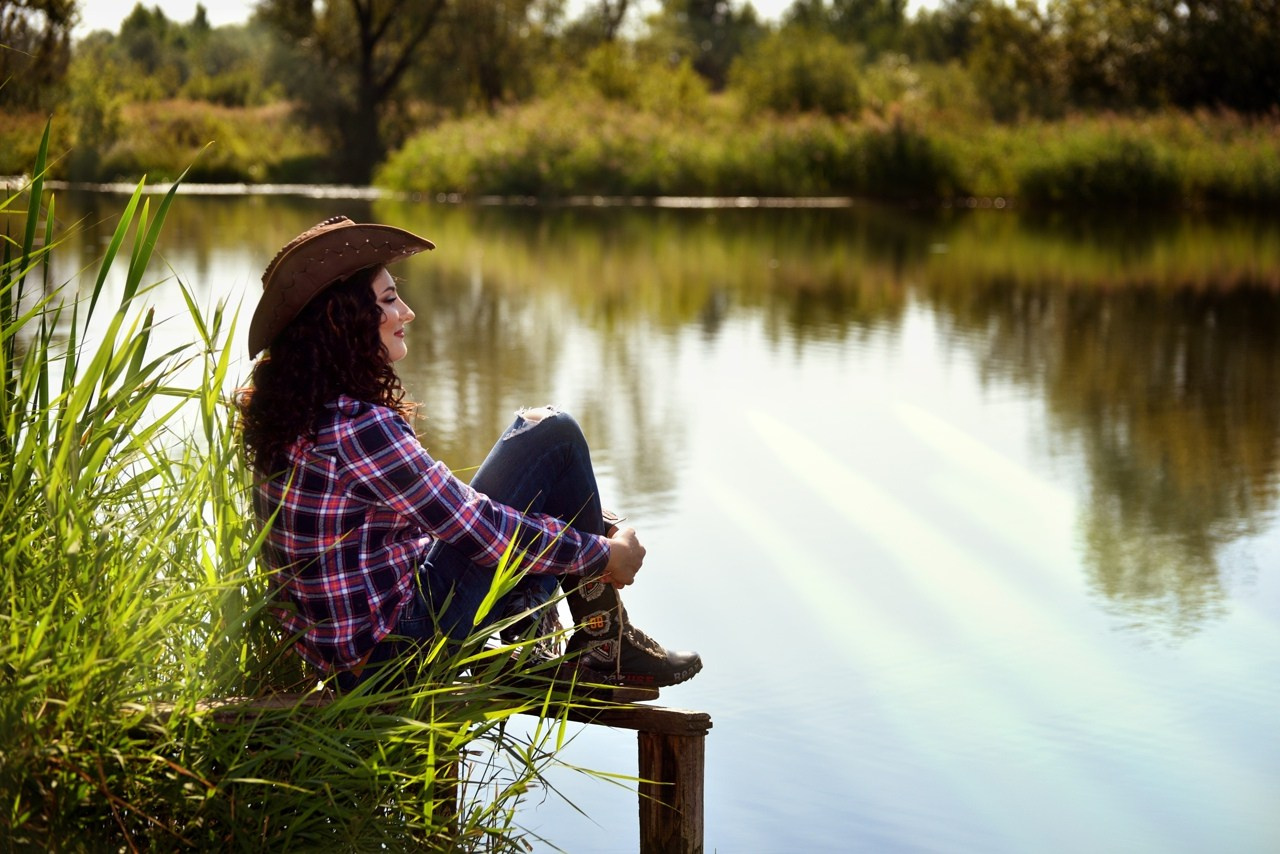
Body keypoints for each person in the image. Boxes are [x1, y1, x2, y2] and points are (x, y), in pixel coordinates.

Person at [237, 216, 701, 692]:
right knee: (552, 433)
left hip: (350, 660)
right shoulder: (358, 426)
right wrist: (600, 554)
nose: (408, 312)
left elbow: (438, 518)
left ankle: (548, 645)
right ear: (343, 319)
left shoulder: (300, 415)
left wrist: (582, 525)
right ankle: (603, 646)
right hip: (395, 657)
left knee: (532, 486)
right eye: (390, 299)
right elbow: (477, 527)